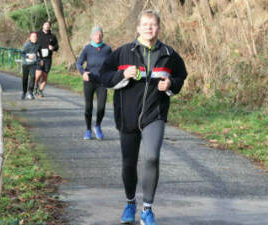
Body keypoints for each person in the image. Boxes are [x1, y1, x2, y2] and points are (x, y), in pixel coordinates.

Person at [99, 10, 187, 225]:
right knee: (129, 163)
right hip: (127, 116)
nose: (149, 28)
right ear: (138, 28)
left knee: (151, 157)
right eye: (145, 24)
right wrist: (123, 75)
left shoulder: (169, 54)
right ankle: (130, 203)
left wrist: (171, 85)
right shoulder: (122, 53)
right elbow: (104, 76)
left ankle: (147, 209)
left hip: (154, 114)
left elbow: (180, 75)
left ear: (159, 28)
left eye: (153, 24)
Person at [76, 26, 112, 140]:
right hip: (90, 80)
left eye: (100, 34)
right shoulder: (87, 48)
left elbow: (112, 64)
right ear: (91, 36)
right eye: (96, 34)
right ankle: (88, 129)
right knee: (88, 107)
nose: (98, 36)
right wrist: (83, 73)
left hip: (102, 82)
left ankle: (97, 126)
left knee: (101, 107)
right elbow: (79, 63)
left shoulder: (107, 49)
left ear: (102, 36)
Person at [35, 21, 59, 97]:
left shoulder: (52, 36)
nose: (47, 26)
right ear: (43, 26)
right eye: (46, 25)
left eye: (48, 25)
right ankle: (35, 86)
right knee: (38, 74)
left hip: (48, 58)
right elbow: (32, 43)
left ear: (50, 27)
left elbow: (57, 47)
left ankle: (40, 91)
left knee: (45, 75)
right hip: (39, 57)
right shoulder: (37, 34)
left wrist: (53, 48)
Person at [20, 32, 40, 100]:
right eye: (33, 36)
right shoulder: (27, 45)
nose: (34, 38)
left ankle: (30, 92)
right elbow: (22, 53)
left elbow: (39, 53)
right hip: (25, 64)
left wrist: (40, 59)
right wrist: (28, 56)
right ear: (30, 38)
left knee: (33, 77)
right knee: (25, 78)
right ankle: (24, 92)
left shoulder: (38, 45)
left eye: (35, 37)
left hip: (33, 64)